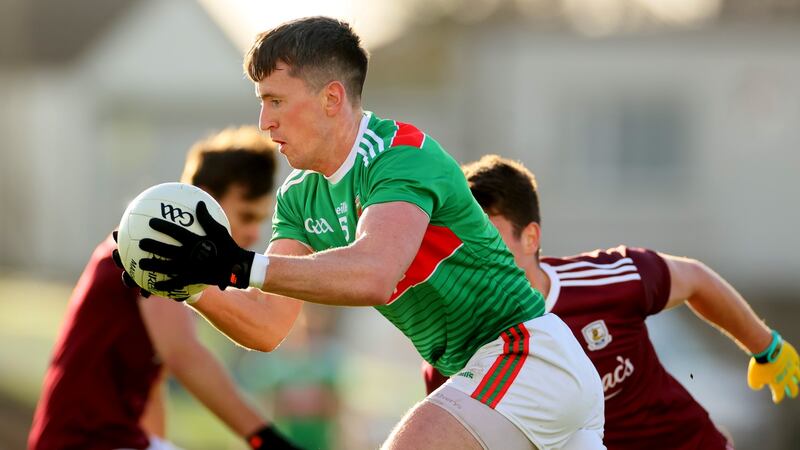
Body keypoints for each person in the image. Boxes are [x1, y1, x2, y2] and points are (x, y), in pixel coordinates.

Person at [120, 16, 606, 450]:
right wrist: (192, 285)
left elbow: (373, 273)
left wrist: (233, 266)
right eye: (261, 103)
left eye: (276, 101)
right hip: (501, 375)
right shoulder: (298, 196)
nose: (264, 122)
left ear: (331, 97)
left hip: (524, 354)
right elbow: (268, 326)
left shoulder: (402, 155)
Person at [421, 154, 800, 449]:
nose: (475, 252)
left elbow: (695, 279)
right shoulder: (456, 346)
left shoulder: (606, 282)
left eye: (489, 235)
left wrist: (765, 347)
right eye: (466, 238)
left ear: (531, 238)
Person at [28, 127, 300, 450]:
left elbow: (154, 378)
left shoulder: (171, 258)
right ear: (205, 198)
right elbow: (183, 354)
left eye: (260, 219)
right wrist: (265, 440)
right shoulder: (159, 246)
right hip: (85, 441)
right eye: (246, 215)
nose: (255, 233)